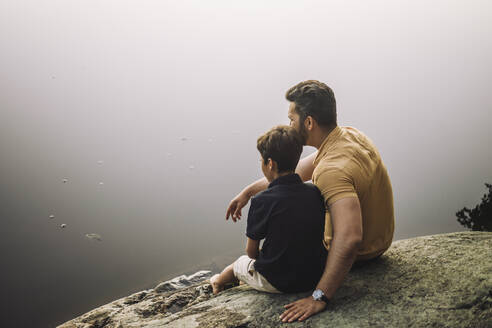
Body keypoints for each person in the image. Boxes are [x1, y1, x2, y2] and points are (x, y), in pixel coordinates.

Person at [225, 80, 395, 322]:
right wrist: (248, 193)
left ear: (309, 122)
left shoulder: (331, 170)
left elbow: (350, 238)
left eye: (291, 119)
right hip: (382, 240)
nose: (289, 125)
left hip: (363, 253)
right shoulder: (348, 136)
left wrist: (319, 297)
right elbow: (298, 172)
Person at [211, 125, 327, 295]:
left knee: (238, 265)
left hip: (278, 282)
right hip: (314, 276)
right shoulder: (314, 192)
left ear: (270, 164)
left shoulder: (261, 201)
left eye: (261, 161)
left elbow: (251, 252)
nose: (261, 164)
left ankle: (217, 282)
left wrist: (271, 257)